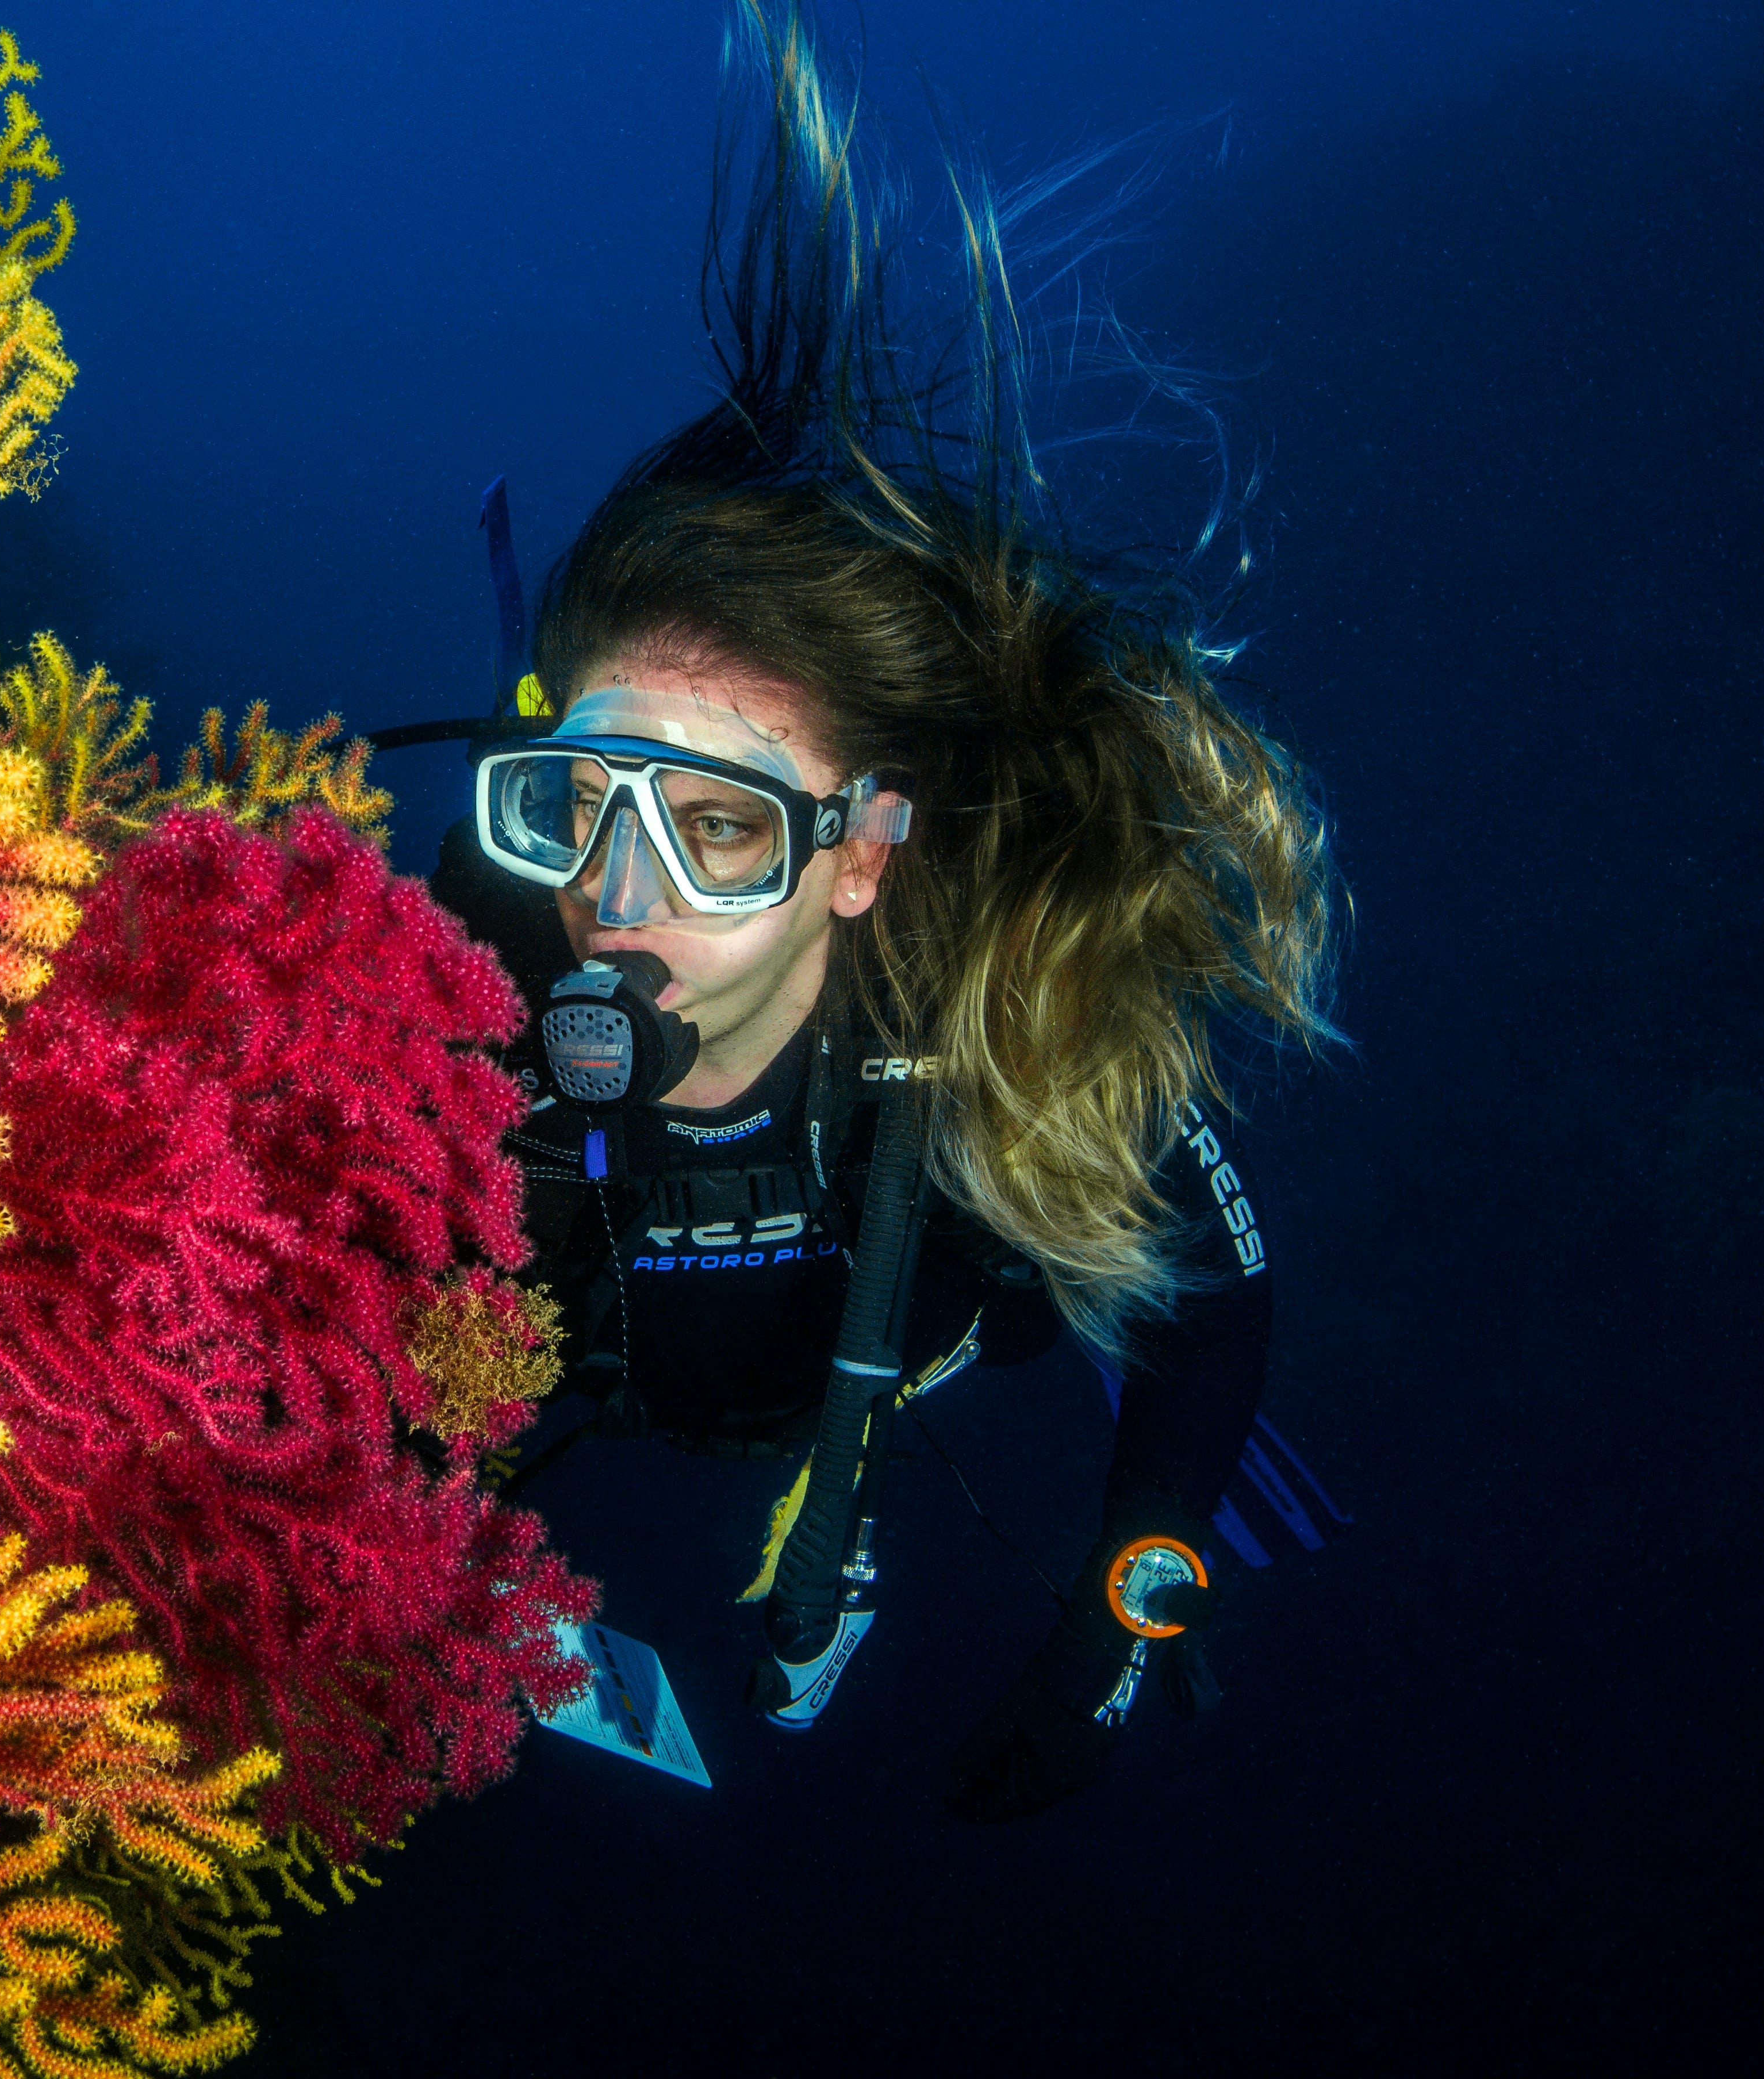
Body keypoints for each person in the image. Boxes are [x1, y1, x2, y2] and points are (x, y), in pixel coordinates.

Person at [425, 7, 1340, 1821]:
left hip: (900, 1372)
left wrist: (1136, 1595)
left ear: (858, 856)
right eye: (577, 810)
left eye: (718, 830)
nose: (615, 899)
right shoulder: (445, 993)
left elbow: (1216, 1295)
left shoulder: (989, 1017)